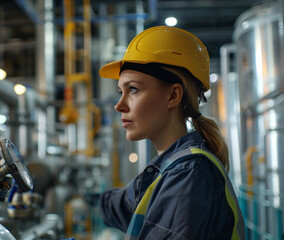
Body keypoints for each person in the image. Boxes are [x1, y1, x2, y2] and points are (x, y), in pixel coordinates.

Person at [98, 26, 245, 239]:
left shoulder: (187, 172)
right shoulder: (166, 169)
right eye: (121, 91)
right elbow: (119, 206)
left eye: (134, 90)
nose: (119, 105)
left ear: (173, 95)